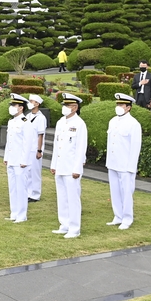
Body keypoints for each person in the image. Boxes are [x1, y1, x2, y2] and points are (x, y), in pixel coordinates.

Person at [51, 93, 88, 238]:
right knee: (62, 197)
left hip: (71, 167)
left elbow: (80, 148)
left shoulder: (79, 124)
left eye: (67, 105)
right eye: (64, 105)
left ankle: (74, 228)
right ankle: (64, 224)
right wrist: (54, 164)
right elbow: (56, 145)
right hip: (60, 165)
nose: (64, 108)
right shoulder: (61, 122)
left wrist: (77, 168)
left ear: (75, 107)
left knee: (73, 198)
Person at [106, 93, 141, 230]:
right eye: (118, 104)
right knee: (114, 190)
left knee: (126, 192)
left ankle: (127, 218)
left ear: (128, 108)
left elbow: (135, 147)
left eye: (121, 105)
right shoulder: (113, 121)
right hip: (113, 162)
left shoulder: (133, 124)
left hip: (125, 164)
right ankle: (118, 216)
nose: (118, 107)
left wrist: (131, 167)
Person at [3, 94, 35, 223]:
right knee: (12, 187)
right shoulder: (11, 122)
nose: (11, 107)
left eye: (14, 105)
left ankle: (21, 215)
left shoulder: (25, 122)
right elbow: (9, 142)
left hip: (20, 161)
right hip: (12, 159)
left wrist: (24, 161)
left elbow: (28, 144)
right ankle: (14, 212)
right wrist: (6, 157)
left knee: (21, 188)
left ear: (21, 108)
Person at [25, 94, 48, 202]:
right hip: (27, 148)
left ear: (37, 104)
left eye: (32, 101)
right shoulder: (28, 116)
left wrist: (39, 150)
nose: (29, 103)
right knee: (27, 171)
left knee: (34, 172)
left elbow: (40, 135)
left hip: (35, 148)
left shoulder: (41, 118)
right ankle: (28, 192)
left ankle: (35, 194)